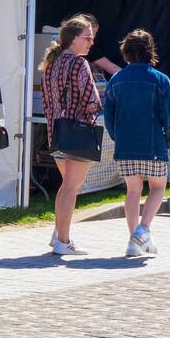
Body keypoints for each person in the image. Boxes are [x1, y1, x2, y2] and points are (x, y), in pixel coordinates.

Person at [103, 29, 170, 258]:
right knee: (158, 187)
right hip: (153, 142)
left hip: (125, 143)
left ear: (125, 52)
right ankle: (143, 229)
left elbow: (109, 112)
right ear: (149, 51)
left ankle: (134, 240)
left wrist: (116, 134)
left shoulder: (116, 79)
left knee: (132, 191)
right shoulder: (160, 79)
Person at [41, 16, 100, 256]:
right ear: (73, 38)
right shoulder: (78, 63)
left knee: (67, 186)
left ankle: (59, 233)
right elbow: (92, 101)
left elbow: (47, 101)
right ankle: (63, 241)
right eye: (87, 38)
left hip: (56, 130)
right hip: (78, 131)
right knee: (70, 187)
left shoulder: (51, 62)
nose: (90, 42)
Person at [67, 13, 121, 79]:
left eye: (94, 34)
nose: (92, 41)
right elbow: (111, 68)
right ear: (75, 37)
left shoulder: (59, 56)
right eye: (88, 36)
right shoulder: (79, 62)